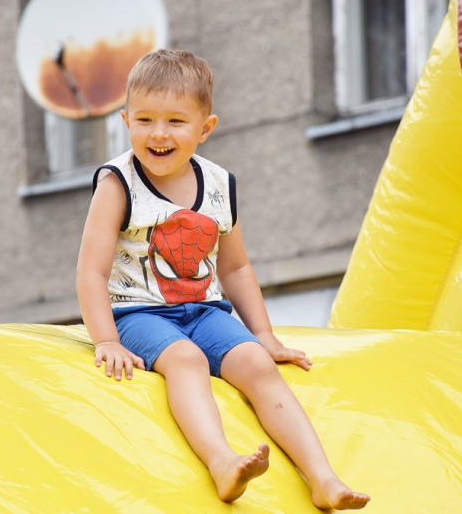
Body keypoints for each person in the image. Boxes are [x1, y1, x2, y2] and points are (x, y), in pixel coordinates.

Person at [76, 49, 370, 510]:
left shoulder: (218, 185)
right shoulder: (118, 183)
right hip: (138, 311)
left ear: (205, 128)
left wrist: (264, 334)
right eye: (145, 120)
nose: (158, 134)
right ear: (126, 120)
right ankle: (221, 462)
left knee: (257, 365)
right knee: (187, 361)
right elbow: (91, 272)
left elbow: (235, 268)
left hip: (205, 310)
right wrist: (105, 340)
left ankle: (323, 477)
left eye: (176, 121)